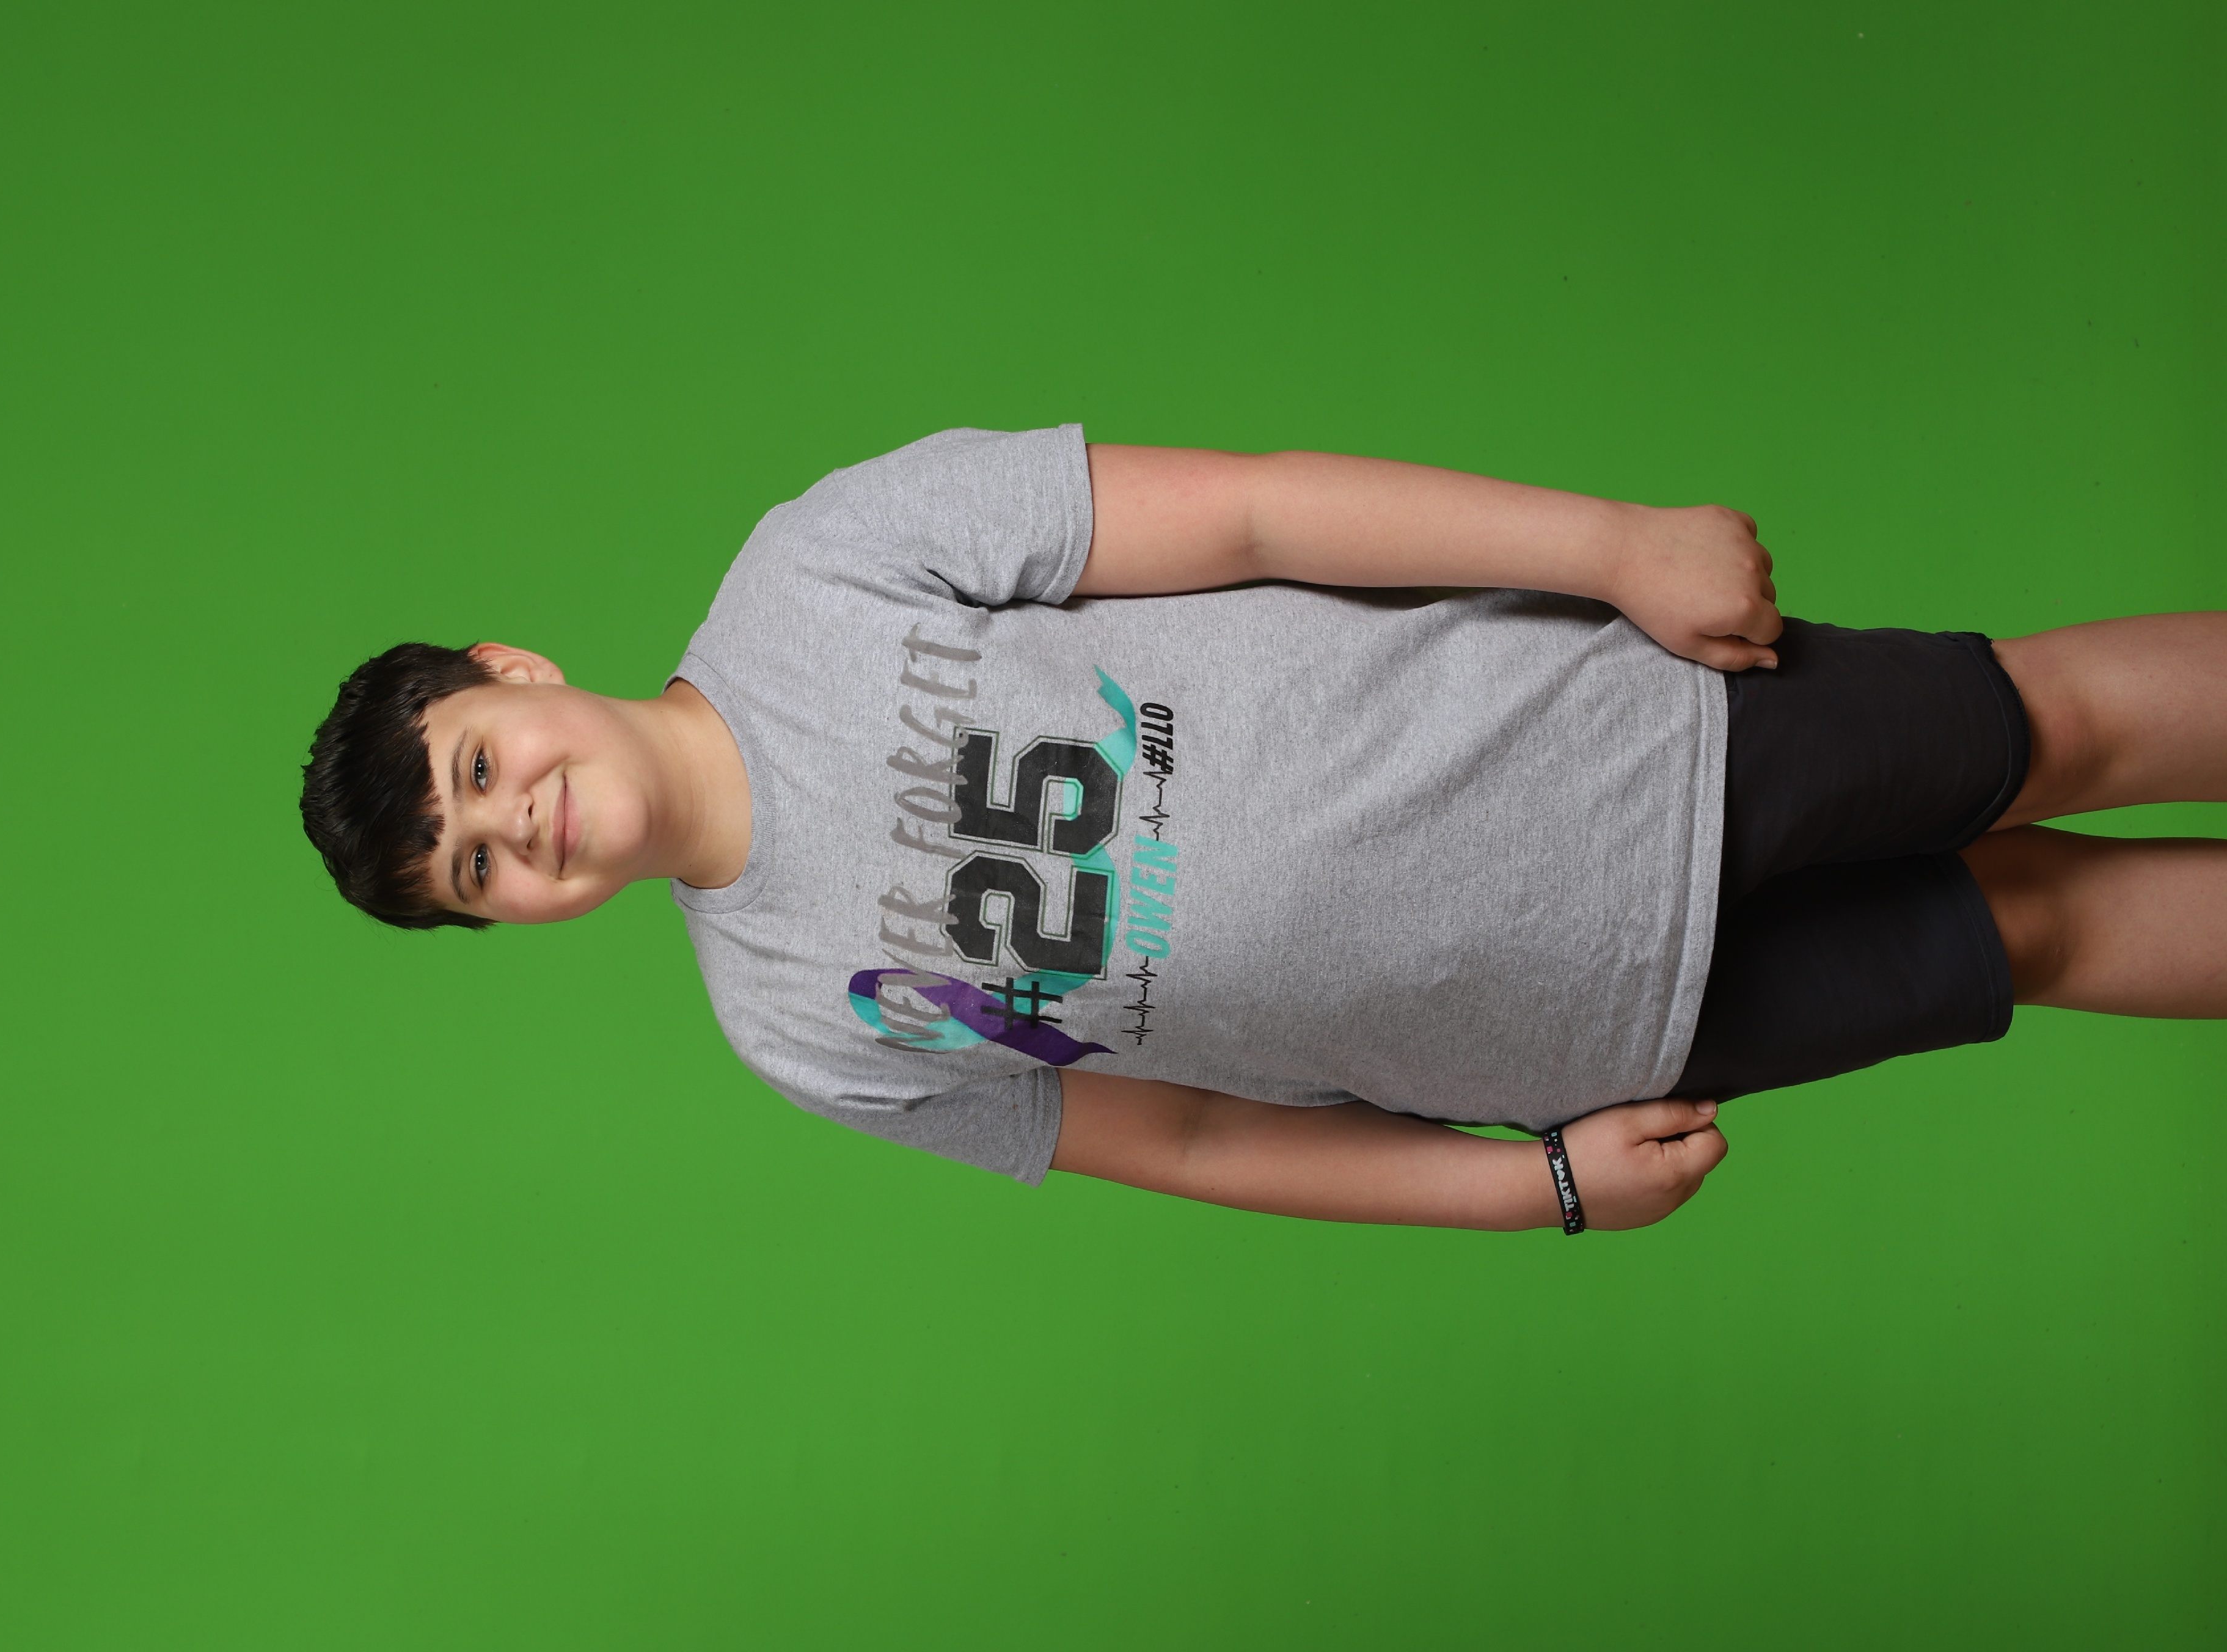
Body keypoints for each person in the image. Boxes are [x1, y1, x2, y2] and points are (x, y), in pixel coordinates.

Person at [298, 426, 2227, 1232]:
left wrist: (1613, 549)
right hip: (1572, 1022)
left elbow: (1249, 514)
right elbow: (1190, 1138)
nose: (516, 825)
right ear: (511, 919)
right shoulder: (797, 1028)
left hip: (1592, 736)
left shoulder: (817, 565)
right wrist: (1532, 1190)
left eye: (476, 769)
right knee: (2031, 935)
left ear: (514, 673)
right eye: (477, 871)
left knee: (2039, 727)